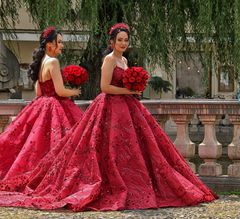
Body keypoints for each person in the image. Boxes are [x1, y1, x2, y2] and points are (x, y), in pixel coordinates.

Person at [0, 23, 217, 211]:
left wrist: (134, 86)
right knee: (107, 148)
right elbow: (104, 87)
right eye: (119, 40)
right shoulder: (109, 60)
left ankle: (137, 183)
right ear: (112, 42)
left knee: (137, 148)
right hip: (110, 107)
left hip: (129, 108)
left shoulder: (124, 61)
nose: (123, 43)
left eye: (126, 40)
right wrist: (129, 91)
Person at [0, 26, 82, 183]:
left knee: (34, 144)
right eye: (59, 42)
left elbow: (38, 92)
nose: (62, 45)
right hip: (55, 105)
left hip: (41, 104)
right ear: (50, 44)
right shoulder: (53, 62)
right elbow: (60, 91)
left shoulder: (41, 61)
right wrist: (75, 92)